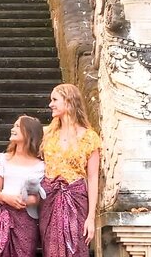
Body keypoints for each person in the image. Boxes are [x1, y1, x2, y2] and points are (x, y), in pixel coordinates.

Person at [39, 83, 100, 257]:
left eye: (54, 100)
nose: (50, 104)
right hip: (49, 199)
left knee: (76, 248)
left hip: (76, 200)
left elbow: (93, 177)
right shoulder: (46, 134)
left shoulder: (89, 137)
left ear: (69, 102)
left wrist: (91, 217)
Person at [0, 115, 45, 257]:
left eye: (17, 126)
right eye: (13, 125)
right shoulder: (3, 159)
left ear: (29, 132)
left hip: (27, 219)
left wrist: (23, 201)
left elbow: (38, 197)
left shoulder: (40, 165)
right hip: (5, 216)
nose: (12, 129)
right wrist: (7, 198)